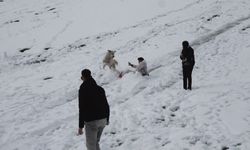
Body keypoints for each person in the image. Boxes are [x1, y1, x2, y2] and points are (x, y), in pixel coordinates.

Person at [78, 69, 110, 150]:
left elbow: (81, 108)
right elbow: (106, 105)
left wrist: (80, 126)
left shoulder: (83, 90)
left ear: (82, 77)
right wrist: (107, 119)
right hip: (103, 119)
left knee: (91, 146)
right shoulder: (100, 89)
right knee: (95, 143)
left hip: (91, 121)